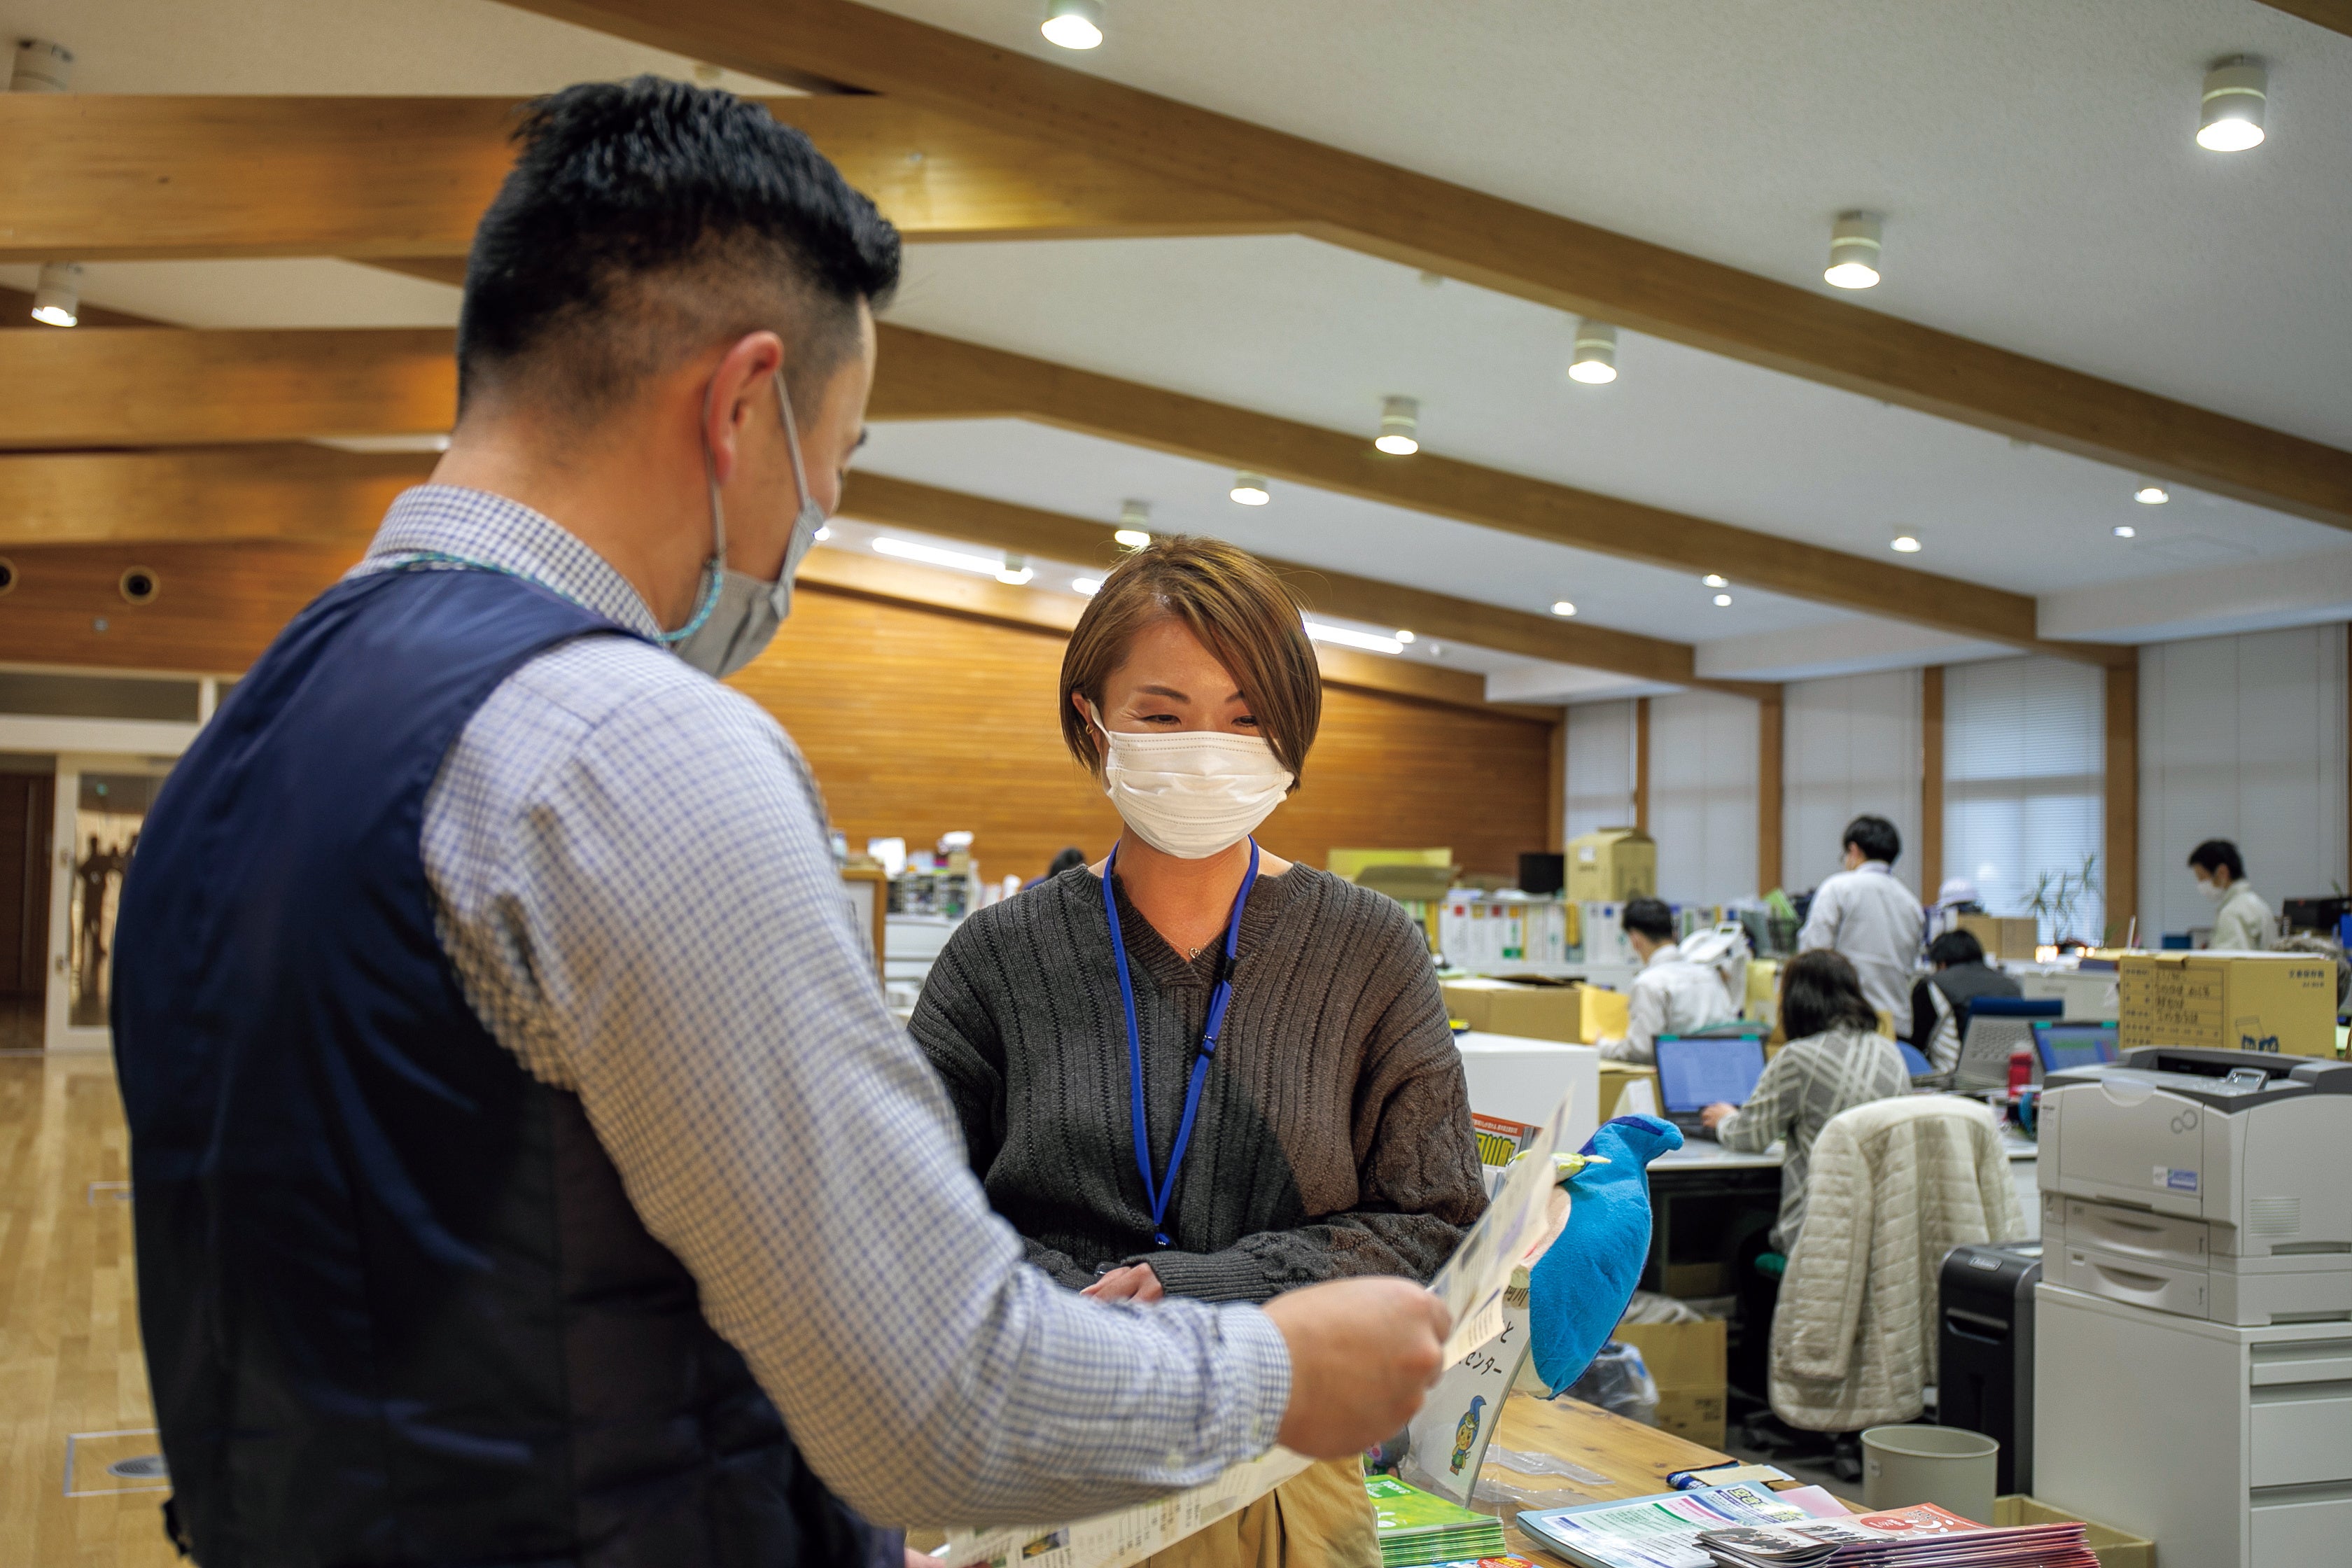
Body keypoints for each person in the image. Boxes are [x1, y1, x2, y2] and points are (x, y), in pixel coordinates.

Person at [108, 80, 1448, 1568]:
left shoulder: (247, 739)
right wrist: (1282, 1366)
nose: (813, 519)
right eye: (842, 456)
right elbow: (933, 1393)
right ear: (743, 404)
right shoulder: (632, 750)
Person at [912, 536, 1488, 1568]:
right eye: (1164, 715)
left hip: (1286, 1478)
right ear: (1093, 721)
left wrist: (1196, 1288)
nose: (1207, 747)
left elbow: (1434, 1223)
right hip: (1044, 1462)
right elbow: (909, 1229)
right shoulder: (995, 959)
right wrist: (1096, 1312)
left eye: (1247, 716)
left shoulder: (1370, 950)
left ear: (1291, 737)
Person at [1701, 951, 1908, 1255]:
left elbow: (1749, 1137)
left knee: (1743, 1243)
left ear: (1796, 998)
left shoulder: (1799, 1058)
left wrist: (1726, 1119)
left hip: (1819, 1232)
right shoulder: (1889, 1051)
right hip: (1885, 1230)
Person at [1797, 813, 1924, 1023]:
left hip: (1847, 1021)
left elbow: (1813, 957)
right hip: (1897, 1025)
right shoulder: (1911, 904)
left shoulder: (1838, 888)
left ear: (1853, 850)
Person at [1597, 895, 1740, 1063]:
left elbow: (1643, 1051)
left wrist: (1601, 1046)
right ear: (1674, 933)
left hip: (1674, 1078)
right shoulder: (1709, 975)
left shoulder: (1648, 984)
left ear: (1635, 940)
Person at [1909, 927, 2022, 1077]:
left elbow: (1914, 1045)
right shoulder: (2012, 986)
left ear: (1941, 964)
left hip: (1952, 1084)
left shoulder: (1934, 985)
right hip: (2008, 1082)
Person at [2190, 838, 2274, 951]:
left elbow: (2231, 964)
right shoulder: (2257, 904)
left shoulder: (2233, 912)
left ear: (2222, 872)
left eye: (2201, 877)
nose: (2200, 884)